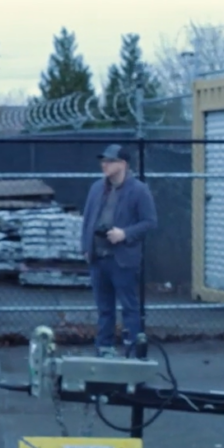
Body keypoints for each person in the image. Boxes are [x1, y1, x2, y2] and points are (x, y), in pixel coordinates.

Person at [81, 144, 157, 358]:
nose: (104, 165)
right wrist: (86, 248)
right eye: (103, 161)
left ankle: (134, 350)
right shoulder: (97, 187)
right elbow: (87, 219)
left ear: (122, 164)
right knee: (104, 308)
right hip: (99, 258)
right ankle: (104, 348)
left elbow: (150, 222)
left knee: (129, 307)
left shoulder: (139, 190)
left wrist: (124, 233)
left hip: (123, 259)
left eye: (110, 161)